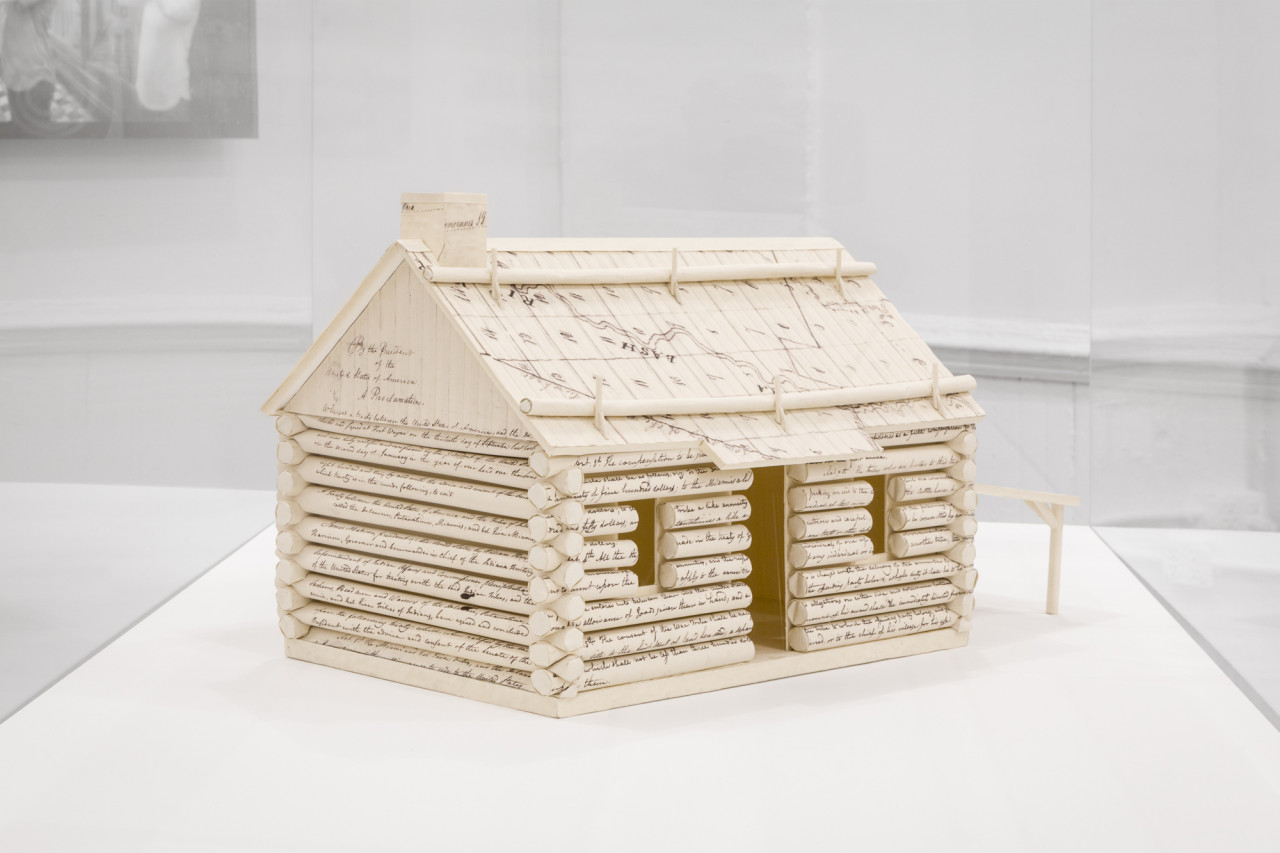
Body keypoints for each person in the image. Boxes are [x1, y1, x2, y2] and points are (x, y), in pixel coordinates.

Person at [0, 0, 57, 132]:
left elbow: (21, 4)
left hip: (35, 78)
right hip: (15, 75)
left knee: (35, 141)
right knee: (20, 135)